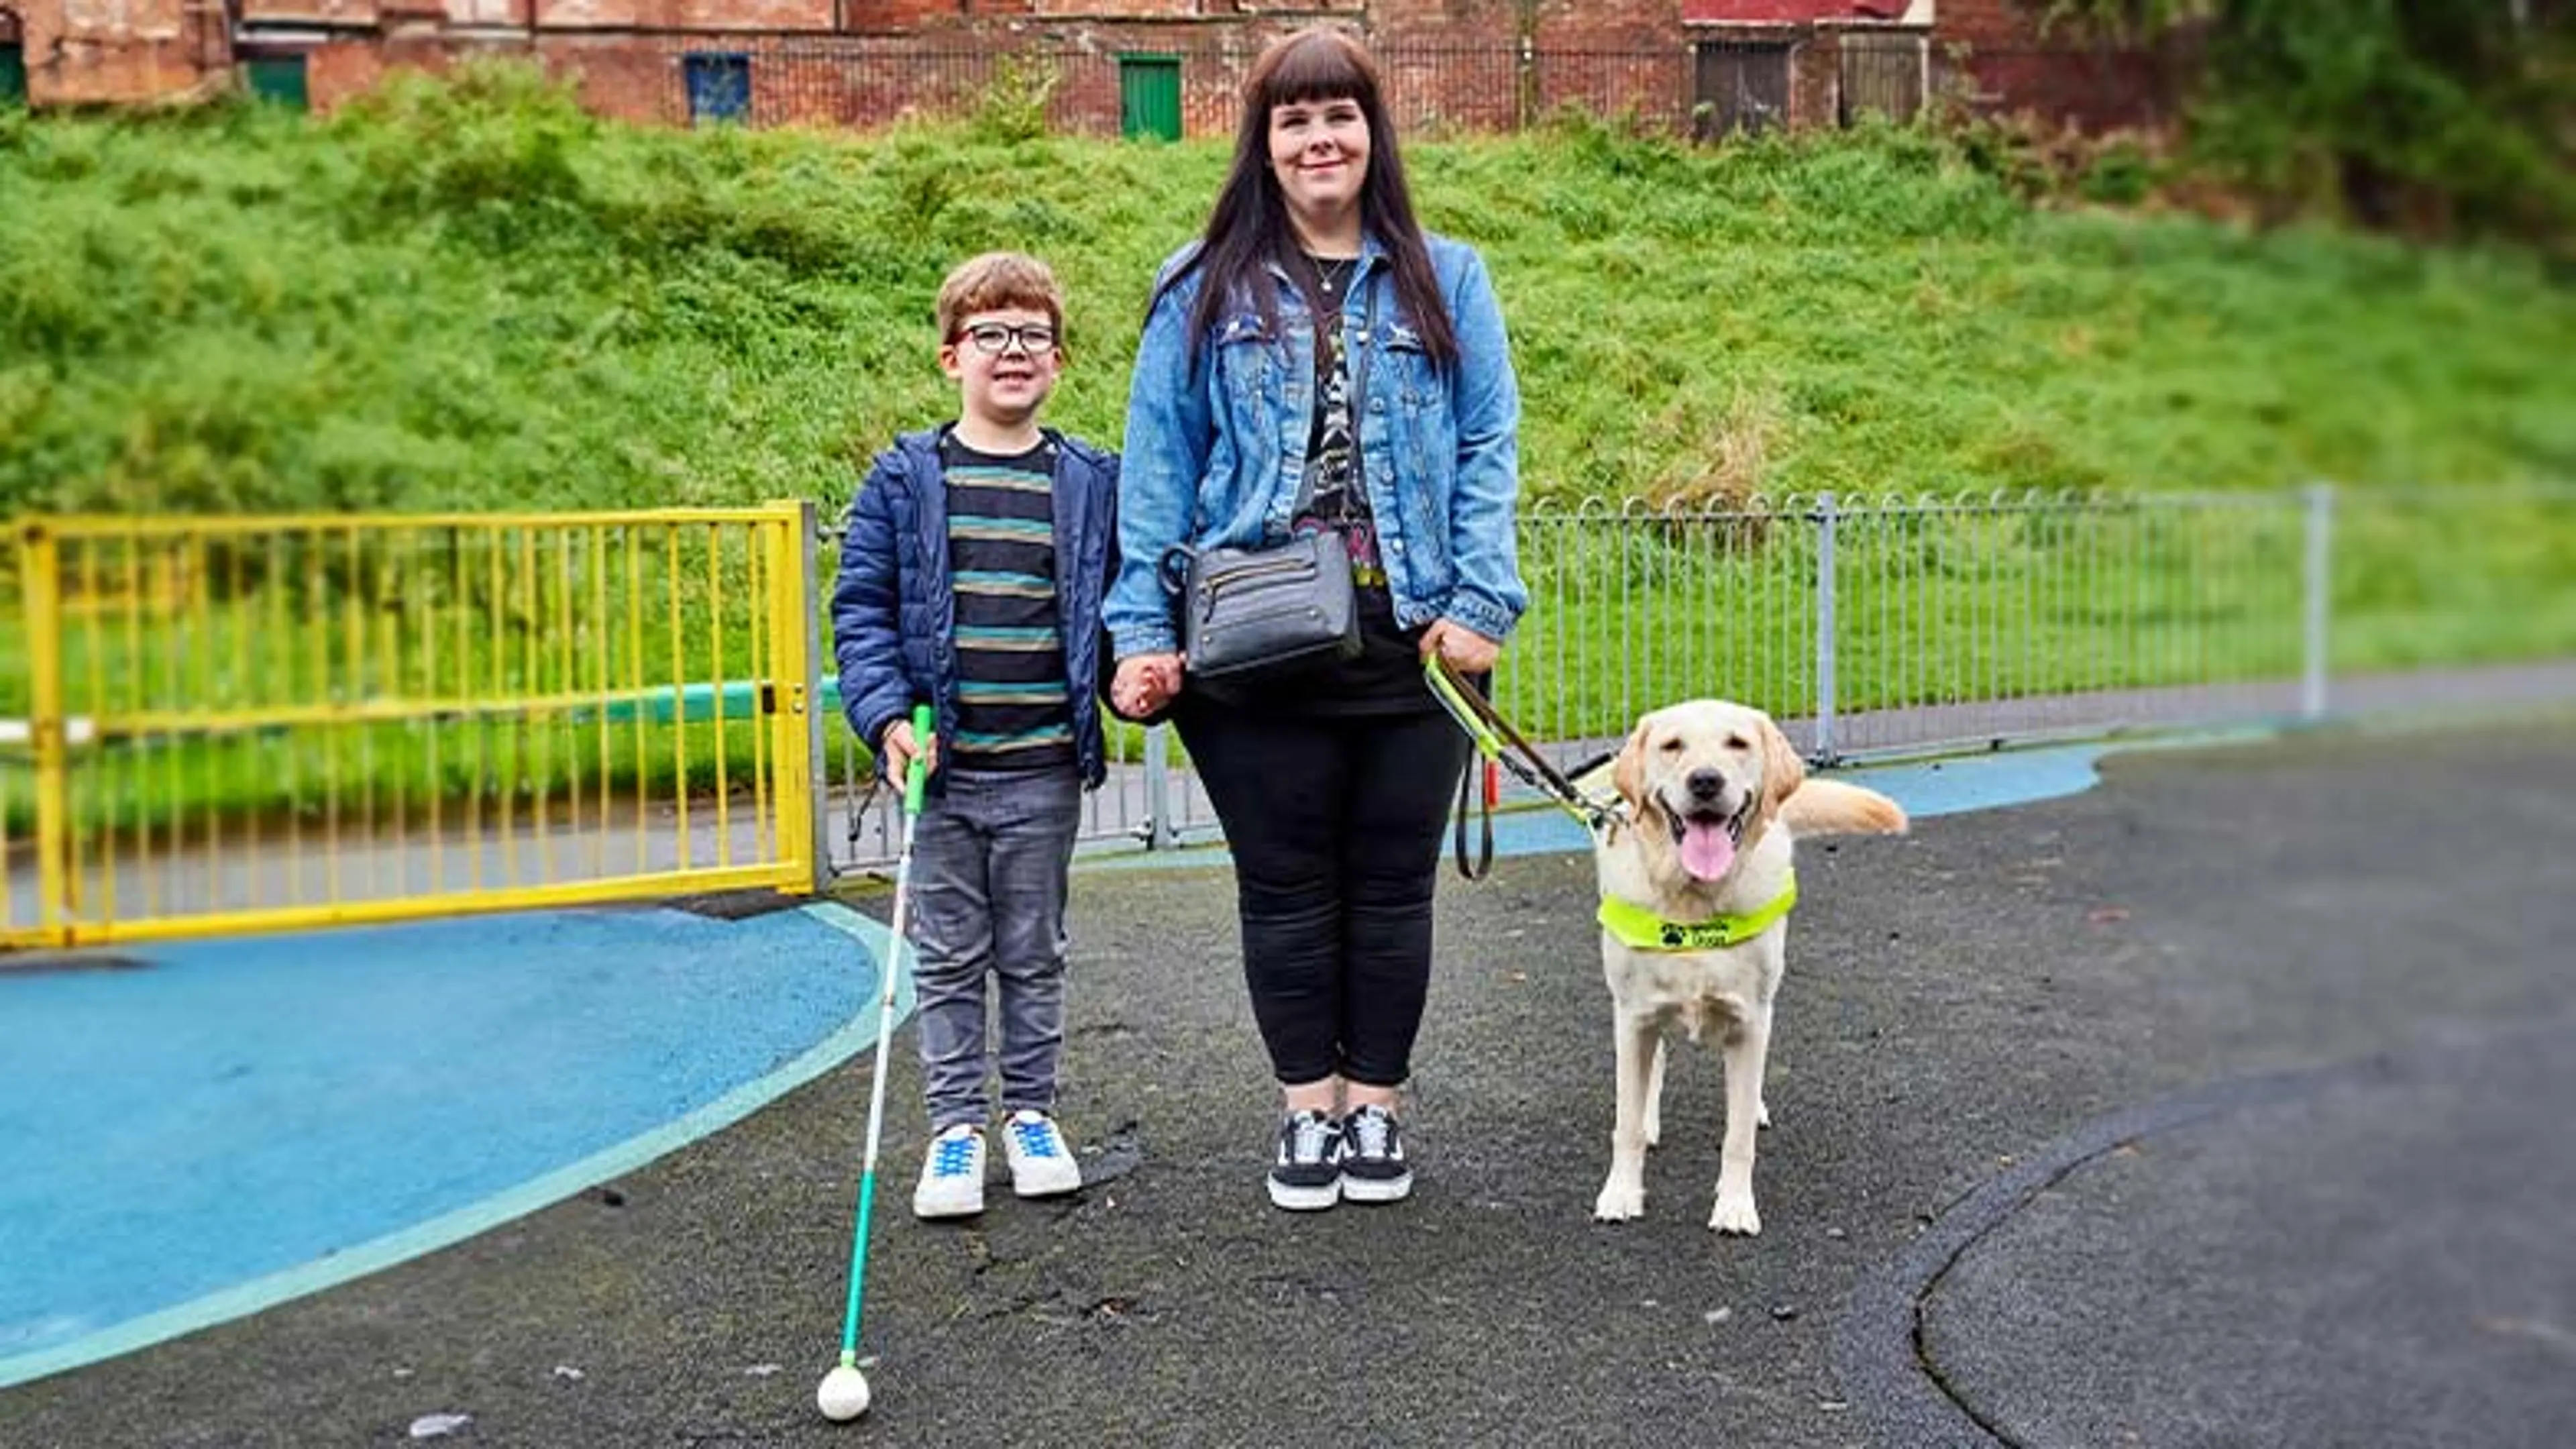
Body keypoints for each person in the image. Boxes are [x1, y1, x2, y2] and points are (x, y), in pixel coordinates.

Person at [1106, 28, 1527, 1212]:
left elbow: (1491, 447)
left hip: (1419, 637)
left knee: (1393, 887)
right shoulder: (1201, 285)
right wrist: (1142, 628)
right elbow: (1158, 463)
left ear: (1372, 132)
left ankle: (1377, 1113)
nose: (1319, 138)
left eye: (1339, 114)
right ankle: (1308, 1115)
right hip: (1252, 639)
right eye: (1294, 120)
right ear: (1266, 142)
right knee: (1285, 886)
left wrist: (1483, 603)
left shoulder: (1452, 276)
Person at [832, 251, 1120, 1220]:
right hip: (940, 774)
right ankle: (955, 1127)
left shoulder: (1089, 480)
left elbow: (1121, 609)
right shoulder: (904, 479)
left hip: (1044, 770)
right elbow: (862, 613)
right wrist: (880, 718)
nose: (1012, 351)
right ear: (951, 355)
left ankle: (1030, 1113)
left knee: (1035, 948)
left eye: (1032, 335)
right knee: (948, 954)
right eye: (990, 334)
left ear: (1059, 359)